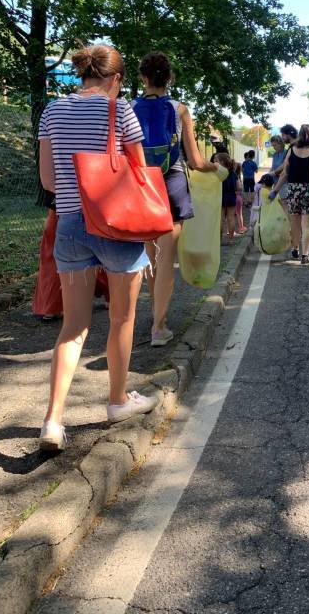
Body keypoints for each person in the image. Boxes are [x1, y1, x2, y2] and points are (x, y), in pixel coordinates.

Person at [37, 44, 157, 452]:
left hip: (70, 223)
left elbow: (50, 181)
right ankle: (118, 401)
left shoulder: (52, 111)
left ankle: (53, 421)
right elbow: (138, 173)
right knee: (122, 319)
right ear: (116, 79)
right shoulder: (120, 110)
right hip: (116, 227)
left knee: (73, 328)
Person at [134, 51, 217, 346]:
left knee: (152, 254)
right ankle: (159, 327)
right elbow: (195, 160)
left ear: (143, 78)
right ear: (169, 78)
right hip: (172, 182)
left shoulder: (127, 108)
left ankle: (157, 315)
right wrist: (215, 166)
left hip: (143, 184)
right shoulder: (180, 110)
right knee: (166, 257)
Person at [270, 124, 309, 265]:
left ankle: (295, 249)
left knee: (294, 222)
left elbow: (285, 173)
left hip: (292, 189)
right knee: (306, 224)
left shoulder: (292, 149)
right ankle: (305, 256)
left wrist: (275, 190)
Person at [215, 152, 240, 242]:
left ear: (221, 162)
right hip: (231, 197)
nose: (214, 162)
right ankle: (231, 239)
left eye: (216, 160)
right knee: (231, 218)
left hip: (220, 197)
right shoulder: (233, 174)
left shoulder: (218, 173)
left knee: (220, 219)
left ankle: (219, 240)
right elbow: (238, 187)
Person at [269, 135, 288, 210]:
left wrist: (274, 172)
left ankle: (287, 221)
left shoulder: (286, 153)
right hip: (275, 183)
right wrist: (269, 173)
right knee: (277, 204)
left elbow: (284, 166)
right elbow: (273, 167)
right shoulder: (275, 154)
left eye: (275, 145)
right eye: (273, 145)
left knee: (284, 204)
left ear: (280, 143)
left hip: (284, 183)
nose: (274, 147)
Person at [234, 161, 246, 233]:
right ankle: (241, 228)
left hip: (233, 197)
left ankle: (229, 230)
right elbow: (240, 188)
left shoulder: (232, 177)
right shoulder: (238, 178)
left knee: (231, 215)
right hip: (238, 198)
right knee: (239, 214)